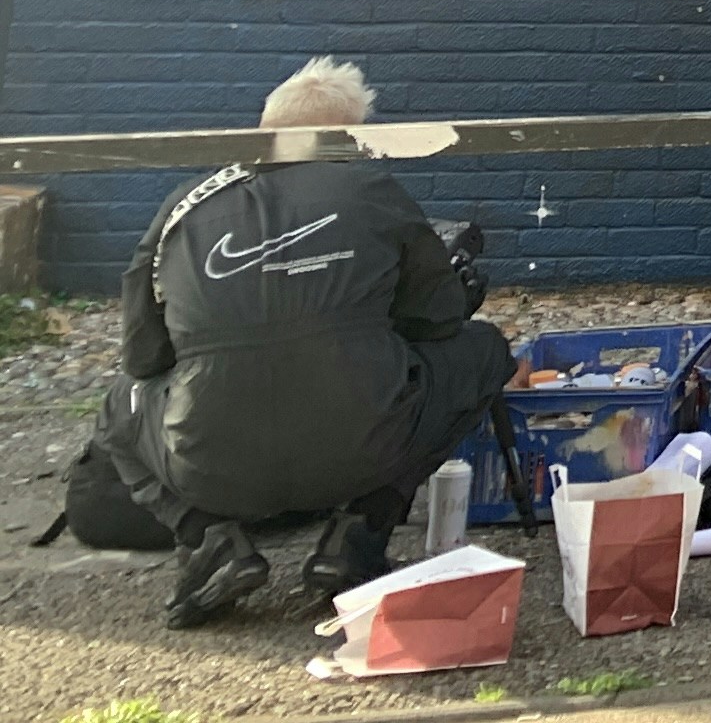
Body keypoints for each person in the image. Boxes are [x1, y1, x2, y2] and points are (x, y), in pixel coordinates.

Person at [65, 58, 514, 626]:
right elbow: (440, 320)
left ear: (262, 129)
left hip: (211, 466)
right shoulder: (372, 190)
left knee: (118, 405)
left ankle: (207, 540)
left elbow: (143, 357)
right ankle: (360, 533)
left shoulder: (180, 206)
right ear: (350, 137)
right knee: (484, 350)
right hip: (363, 448)